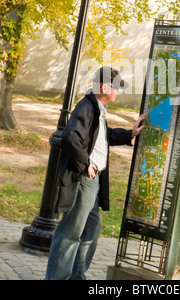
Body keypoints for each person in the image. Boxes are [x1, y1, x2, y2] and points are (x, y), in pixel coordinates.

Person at [45, 67, 145, 280]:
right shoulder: (87, 107)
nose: (118, 92)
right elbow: (70, 137)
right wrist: (85, 164)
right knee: (70, 232)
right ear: (105, 87)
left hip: (94, 181)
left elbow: (103, 136)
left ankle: (76, 276)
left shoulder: (98, 108)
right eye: (117, 88)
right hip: (83, 179)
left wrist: (131, 134)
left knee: (91, 230)